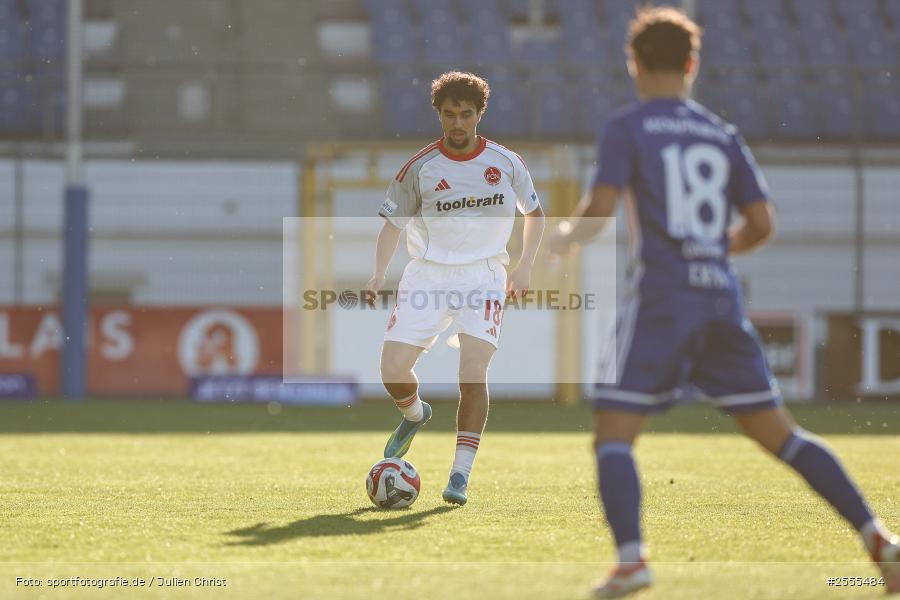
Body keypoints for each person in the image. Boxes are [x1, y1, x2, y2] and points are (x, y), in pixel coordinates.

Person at [549, 6, 899, 598]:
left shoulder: (627, 127)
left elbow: (599, 212)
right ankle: (880, 540)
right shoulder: (721, 133)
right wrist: (710, 254)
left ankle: (632, 560)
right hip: (720, 300)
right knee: (783, 434)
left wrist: (556, 242)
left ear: (633, 63)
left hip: (661, 299)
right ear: (692, 64)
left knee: (613, 431)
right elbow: (762, 223)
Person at [366, 71, 545, 506]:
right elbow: (392, 225)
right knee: (392, 372)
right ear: (439, 115)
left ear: (480, 114)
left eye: (467, 114)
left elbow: (535, 215)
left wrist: (522, 269)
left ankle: (460, 475)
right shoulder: (420, 167)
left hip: (483, 274)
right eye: (450, 115)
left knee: (472, 373)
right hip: (427, 273)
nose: (458, 123)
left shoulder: (506, 163)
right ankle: (414, 414)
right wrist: (378, 273)